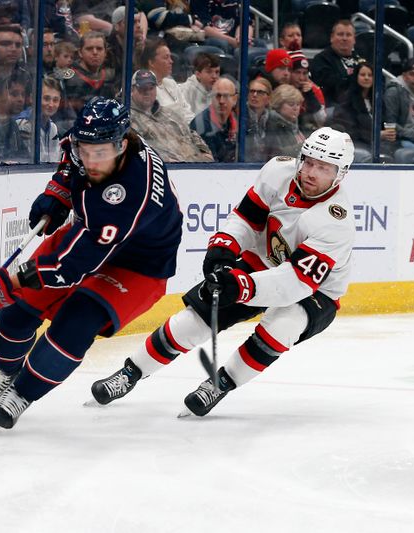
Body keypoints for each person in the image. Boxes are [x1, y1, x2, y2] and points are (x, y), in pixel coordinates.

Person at [89, 127, 355, 418]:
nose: (310, 172)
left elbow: (295, 283)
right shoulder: (278, 172)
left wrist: (242, 286)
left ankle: (221, 383)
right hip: (263, 261)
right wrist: (224, 248)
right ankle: (131, 372)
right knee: (195, 319)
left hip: (317, 291)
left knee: (283, 326)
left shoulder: (335, 221)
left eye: (323, 167)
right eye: (308, 161)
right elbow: (246, 218)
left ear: (340, 174)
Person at [0, 97, 183, 431]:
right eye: (85, 150)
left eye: (100, 153)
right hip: (88, 233)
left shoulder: (130, 193)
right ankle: (4, 374)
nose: (90, 160)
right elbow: (69, 157)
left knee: (76, 323)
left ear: (122, 145)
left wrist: (3, 282)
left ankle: (21, 394)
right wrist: (59, 190)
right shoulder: (97, 143)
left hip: (138, 266)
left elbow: (69, 268)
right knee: (19, 308)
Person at [129, 69, 213, 163]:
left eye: (151, 87)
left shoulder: (170, 113)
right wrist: (166, 160)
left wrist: (204, 151)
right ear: (132, 90)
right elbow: (138, 150)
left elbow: (191, 133)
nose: (147, 92)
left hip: (197, 165)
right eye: (142, 88)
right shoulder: (129, 119)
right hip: (169, 169)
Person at [310, 20, 363, 106]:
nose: (344, 38)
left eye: (348, 35)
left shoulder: (361, 59)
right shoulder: (321, 59)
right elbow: (331, 87)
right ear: (331, 37)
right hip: (333, 109)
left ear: (354, 39)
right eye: (340, 34)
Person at [141, 37, 195, 123]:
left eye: (170, 57)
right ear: (151, 62)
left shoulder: (171, 83)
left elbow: (188, 112)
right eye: (166, 57)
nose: (171, 61)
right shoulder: (144, 89)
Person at [333, 60, 375, 162]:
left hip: (376, 142)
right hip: (356, 142)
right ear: (356, 77)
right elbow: (349, 130)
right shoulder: (347, 99)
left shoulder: (377, 99)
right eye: (362, 74)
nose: (366, 78)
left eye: (370, 75)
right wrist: (375, 134)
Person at [14, 76, 62, 163]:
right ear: (33, 98)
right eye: (46, 99)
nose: (51, 104)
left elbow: (55, 160)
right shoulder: (23, 125)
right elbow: (29, 163)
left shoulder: (53, 127)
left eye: (55, 100)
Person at [190, 77, 238, 162]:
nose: (222, 101)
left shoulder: (238, 122)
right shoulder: (200, 125)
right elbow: (212, 166)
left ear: (235, 99)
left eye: (226, 96)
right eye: (218, 96)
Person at [264, 84, 306, 159]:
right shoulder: (272, 124)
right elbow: (277, 155)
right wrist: (305, 146)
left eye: (298, 104)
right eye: (291, 104)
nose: (295, 108)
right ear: (278, 104)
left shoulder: (296, 125)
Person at [289, 51, 326, 135]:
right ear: (289, 72)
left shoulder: (314, 89)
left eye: (305, 73)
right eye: (297, 72)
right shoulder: (282, 89)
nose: (301, 78)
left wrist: (310, 96)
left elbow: (321, 120)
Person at [179, 52, 221, 116]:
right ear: (198, 74)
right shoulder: (184, 91)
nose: (214, 76)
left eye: (217, 72)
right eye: (209, 72)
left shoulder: (221, 90)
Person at [244, 77, 272, 162]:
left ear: (268, 98)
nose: (255, 95)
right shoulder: (240, 116)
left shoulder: (274, 119)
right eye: (252, 91)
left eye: (260, 92)